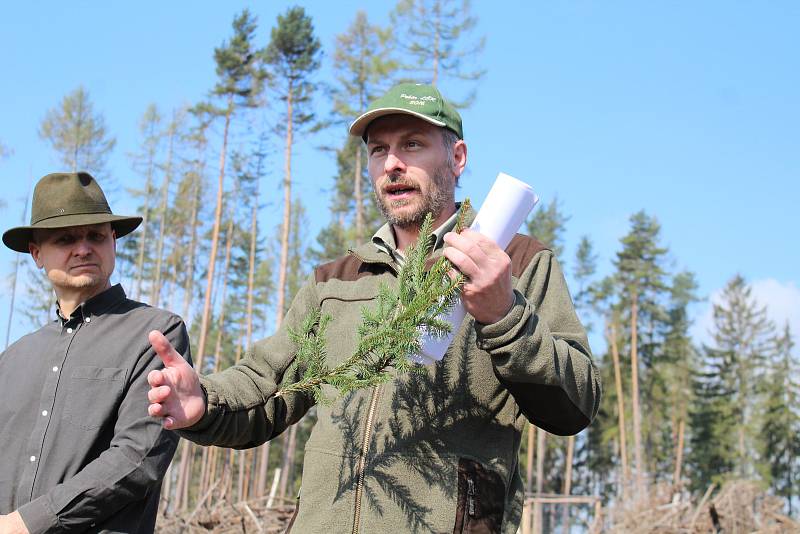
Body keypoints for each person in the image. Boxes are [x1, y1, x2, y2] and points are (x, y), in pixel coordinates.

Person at [147, 83, 601, 533]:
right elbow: (267, 386)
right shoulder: (337, 280)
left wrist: (505, 316)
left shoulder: (515, 262)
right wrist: (204, 402)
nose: (393, 164)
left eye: (413, 144)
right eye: (379, 150)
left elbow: (575, 405)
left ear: (458, 157)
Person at [0, 172, 191, 534]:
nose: (84, 248)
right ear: (37, 254)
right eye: (66, 238)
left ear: (114, 242)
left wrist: (27, 523)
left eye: (97, 236)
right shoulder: (11, 359)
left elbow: (138, 458)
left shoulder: (155, 334)